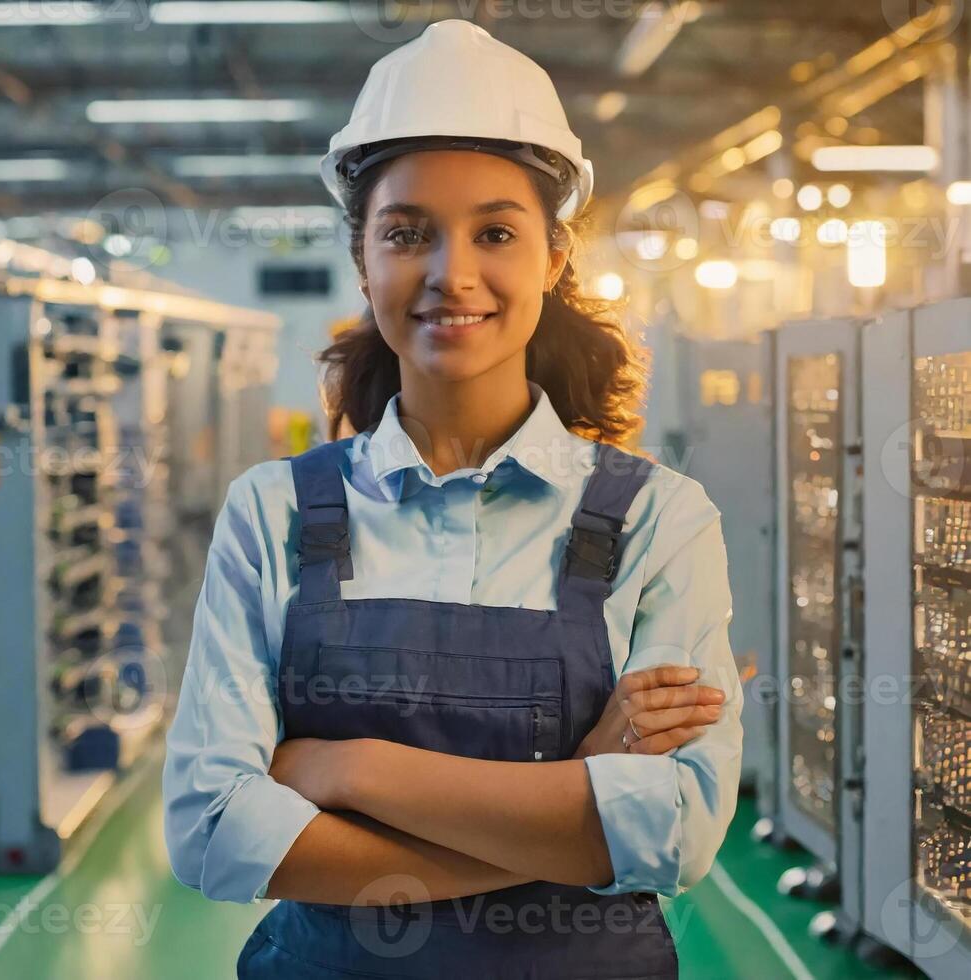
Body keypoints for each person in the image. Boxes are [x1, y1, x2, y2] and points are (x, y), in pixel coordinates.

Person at [162, 19, 743, 979]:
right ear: (363, 259)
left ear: (554, 257)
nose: (451, 274)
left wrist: (347, 769)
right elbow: (216, 832)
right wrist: (569, 804)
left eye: (496, 232)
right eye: (407, 233)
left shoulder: (660, 520)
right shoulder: (271, 514)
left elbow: (672, 835)